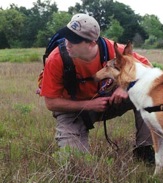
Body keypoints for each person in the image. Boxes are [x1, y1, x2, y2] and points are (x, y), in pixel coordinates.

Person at [41, 13, 154, 164]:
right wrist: (87, 105)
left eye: (74, 41)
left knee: (148, 94)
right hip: (74, 111)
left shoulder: (113, 50)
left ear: (92, 43)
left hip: (110, 100)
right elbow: (51, 103)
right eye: (67, 36)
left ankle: (144, 149)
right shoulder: (56, 59)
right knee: (75, 164)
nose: (67, 43)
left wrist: (126, 86)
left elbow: (150, 72)